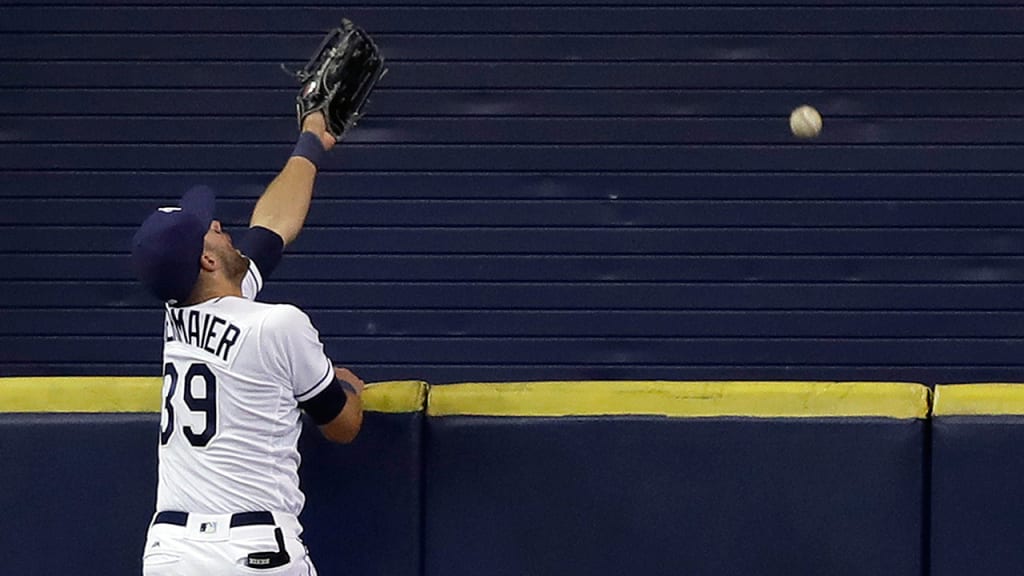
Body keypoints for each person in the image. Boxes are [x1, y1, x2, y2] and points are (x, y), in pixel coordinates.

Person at [131, 111, 363, 575]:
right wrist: (348, 387)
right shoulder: (278, 326)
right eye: (209, 229)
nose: (217, 223)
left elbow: (271, 231)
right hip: (253, 551)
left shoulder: (175, 315)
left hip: (171, 554)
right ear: (207, 260)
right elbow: (343, 426)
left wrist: (310, 144)